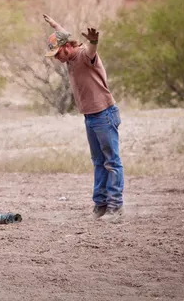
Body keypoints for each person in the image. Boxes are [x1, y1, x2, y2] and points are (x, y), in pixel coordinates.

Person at [43, 14, 124, 221]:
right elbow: (63, 35)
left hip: (104, 113)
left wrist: (94, 41)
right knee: (98, 161)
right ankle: (101, 204)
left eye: (57, 53)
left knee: (111, 161)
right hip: (90, 116)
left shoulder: (83, 56)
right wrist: (54, 24)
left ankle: (115, 206)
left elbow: (91, 50)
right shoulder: (68, 58)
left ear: (67, 47)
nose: (56, 58)